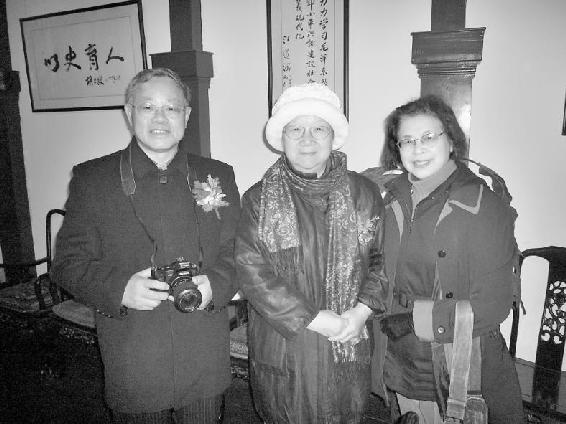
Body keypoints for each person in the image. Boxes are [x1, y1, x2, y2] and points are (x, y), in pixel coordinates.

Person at [51, 68, 241, 423]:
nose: (160, 118)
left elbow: (238, 250)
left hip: (203, 351)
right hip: (133, 353)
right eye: (148, 107)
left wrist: (216, 285)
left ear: (186, 115)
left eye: (172, 108)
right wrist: (120, 288)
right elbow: (67, 263)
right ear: (129, 112)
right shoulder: (94, 179)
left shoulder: (217, 174)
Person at [235, 83, 389, 423]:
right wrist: (315, 318)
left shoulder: (364, 193)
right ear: (282, 137)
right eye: (296, 129)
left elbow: (383, 260)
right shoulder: (259, 199)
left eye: (319, 128)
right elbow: (252, 272)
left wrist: (360, 313)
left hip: (348, 336)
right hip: (286, 345)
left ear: (333, 136)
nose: (307, 139)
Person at [364, 95, 524, 423]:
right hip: (397, 352)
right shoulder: (389, 198)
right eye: (407, 140)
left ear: (451, 140)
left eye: (428, 137)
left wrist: (413, 320)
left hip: (455, 356)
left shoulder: (484, 205)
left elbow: (492, 305)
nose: (417, 148)